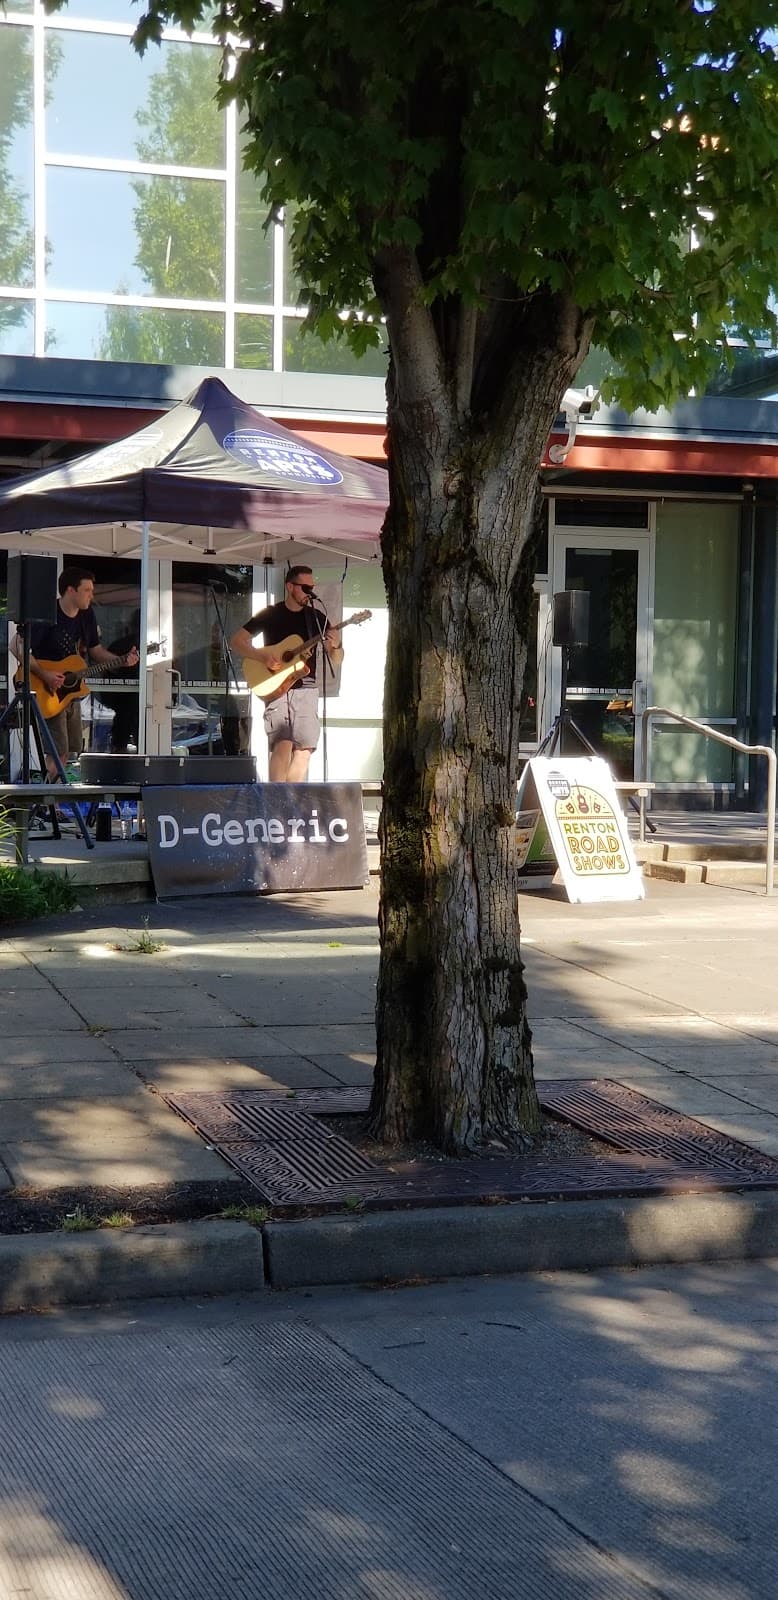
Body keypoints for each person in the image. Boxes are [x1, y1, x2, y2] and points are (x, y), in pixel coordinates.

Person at [11, 566, 139, 778]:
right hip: (44, 689)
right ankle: (45, 803)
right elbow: (16, 645)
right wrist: (45, 675)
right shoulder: (47, 612)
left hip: (69, 692)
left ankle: (52, 802)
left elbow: (95, 651)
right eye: (87, 590)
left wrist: (122, 661)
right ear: (71, 590)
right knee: (57, 751)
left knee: (71, 750)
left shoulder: (86, 615)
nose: (92, 594)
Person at [229, 565, 342, 781]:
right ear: (290, 586)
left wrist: (335, 646)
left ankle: (290, 800)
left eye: (312, 587)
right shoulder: (271, 614)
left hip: (306, 687)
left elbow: (336, 659)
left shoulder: (317, 618)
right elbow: (237, 641)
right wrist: (262, 657)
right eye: (305, 587)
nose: (310, 592)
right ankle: (276, 800)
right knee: (283, 744)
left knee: (305, 749)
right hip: (277, 686)